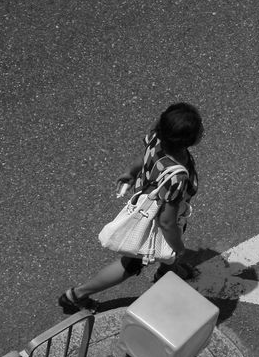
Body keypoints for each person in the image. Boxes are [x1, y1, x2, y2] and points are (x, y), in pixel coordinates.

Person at [59, 102, 204, 313]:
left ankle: (167, 270)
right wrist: (179, 248)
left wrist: (131, 171)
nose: (203, 128)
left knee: (164, 250)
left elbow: (146, 156)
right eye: (200, 127)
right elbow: (166, 221)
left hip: (147, 203)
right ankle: (77, 295)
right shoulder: (177, 176)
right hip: (155, 219)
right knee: (134, 262)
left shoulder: (157, 138)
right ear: (187, 140)